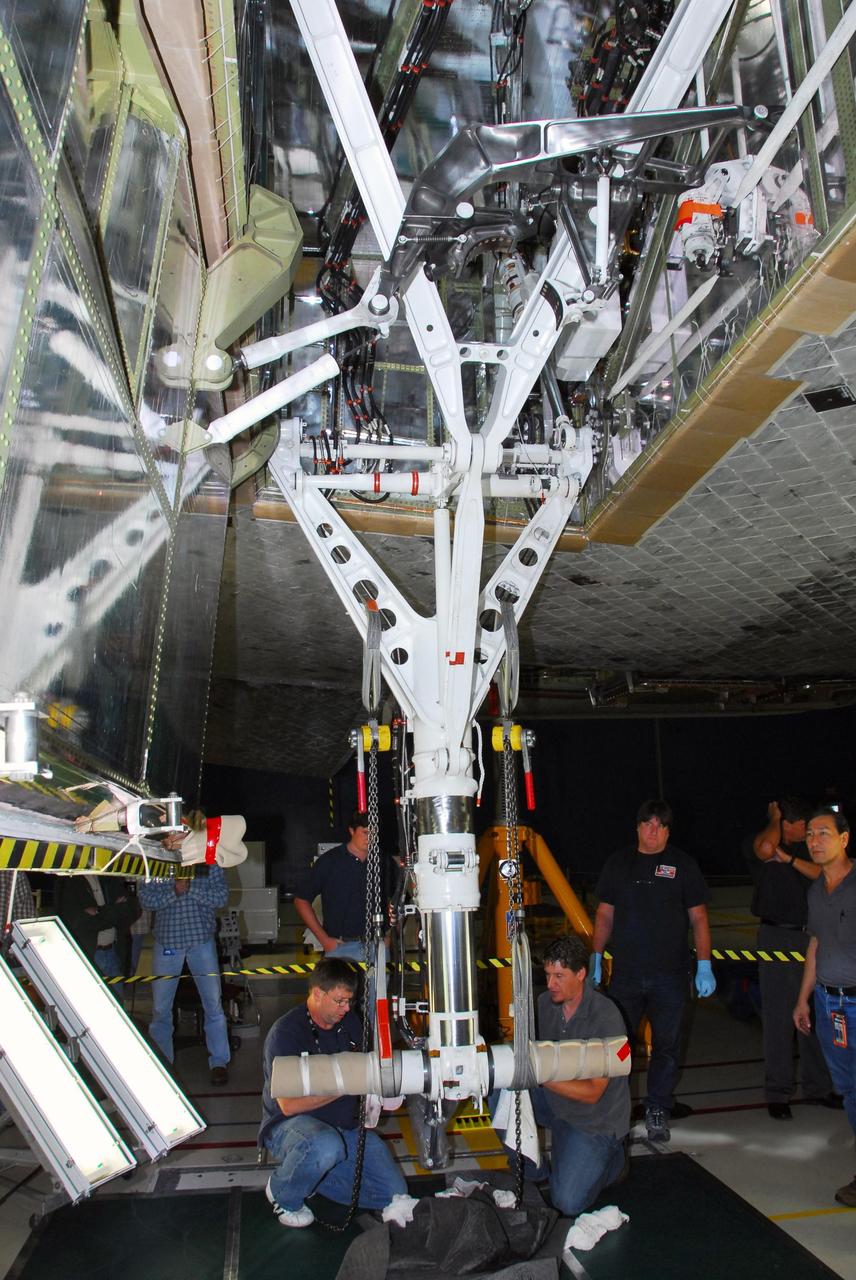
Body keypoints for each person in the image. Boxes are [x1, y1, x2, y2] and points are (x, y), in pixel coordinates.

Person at [592, 798, 716, 1143]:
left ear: (668, 831)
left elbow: (699, 917)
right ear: (637, 827)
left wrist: (704, 964)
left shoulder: (682, 865)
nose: (654, 831)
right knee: (619, 1046)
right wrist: (596, 955)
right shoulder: (619, 864)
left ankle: (658, 1107)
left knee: (667, 1045)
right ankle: (616, 1109)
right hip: (627, 976)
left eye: (661, 825)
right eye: (648, 823)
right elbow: (604, 914)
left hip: (671, 977)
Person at [259, 957, 406, 1227]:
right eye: (339, 1001)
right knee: (325, 1146)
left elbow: (367, 1072)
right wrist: (345, 1084)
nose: (346, 1008)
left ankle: (312, 1175)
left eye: (349, 1001)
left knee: (394, 1194)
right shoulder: (286, 1034)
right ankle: (282, 1191)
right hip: (291, 1127)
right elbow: (288, 1106)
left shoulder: (350, 1023)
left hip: (343, 1129)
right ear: (317, 993)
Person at [495, 933, 630, 1217]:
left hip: (594, 1122)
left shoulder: (605, 1016)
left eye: (559, 976)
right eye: (547, 974)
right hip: (556, 1104)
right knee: (500, 1087)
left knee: (567, 1203)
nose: (551, 984)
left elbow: (593, 1093)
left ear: (581, 974)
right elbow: (527, 1057)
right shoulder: (545, 1004)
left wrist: (541, 1076)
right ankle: (533, 1170)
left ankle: (614, 1158)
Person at [747, 798, 836, 1119]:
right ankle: (778, 1092)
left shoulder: (808, 851)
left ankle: (817, 1088)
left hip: (811, 937)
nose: (810, 832)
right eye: (804, 826)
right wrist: (774, 817)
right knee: (779, 1015)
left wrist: (790, 859)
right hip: (777, 936)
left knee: (813, 1012)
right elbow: (767, 848)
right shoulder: (763, 844)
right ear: (787, 823)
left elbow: (826, 875)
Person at [794, 808, 856, 1207]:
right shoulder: (816, 891)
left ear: (845, 839)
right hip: (830, 1004)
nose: (815, 840)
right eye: (810, 835)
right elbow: (815, 944)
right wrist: (803, 998)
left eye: (824, 833)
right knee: (850, 1090)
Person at [138, 853, 231, 1086]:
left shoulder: (209, 860)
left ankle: (219, 1062)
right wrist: (174, 891)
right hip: (167, 942)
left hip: (202, 941)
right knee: (160, 1008)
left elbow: (221, 897)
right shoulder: (154, 861)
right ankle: (163, 1064)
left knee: (213, 1004)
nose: (177, 836)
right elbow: (145, 899)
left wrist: (190, 890)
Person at [293, 812, 390, 962]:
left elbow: (401, 900)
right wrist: (325, 940)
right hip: (341, 947)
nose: (370, 837)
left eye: (374, 832)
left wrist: (391, 936)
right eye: (365, 832)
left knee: (378, 986)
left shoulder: (384, 862)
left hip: (377, 945)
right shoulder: (329, 862)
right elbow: (301, 900)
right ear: (351, 831)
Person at [54, 874, 140, 989]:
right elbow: (76, 921)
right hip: (88, 954)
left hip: (114, 952)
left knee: (117, 1003)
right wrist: (114, 910)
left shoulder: (110, 877)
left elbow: (133, 909)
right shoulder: (68, 881)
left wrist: (99, 912)